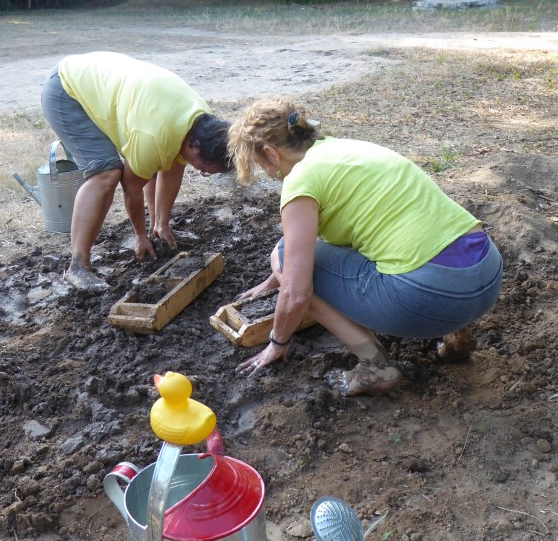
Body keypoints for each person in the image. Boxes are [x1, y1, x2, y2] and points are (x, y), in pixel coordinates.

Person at [228, 98, 503, 396]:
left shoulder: (300, 181)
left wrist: (277, 341)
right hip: (486, 276)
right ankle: (458, 336)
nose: (269, 175)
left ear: (270, 152)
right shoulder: (349, 149)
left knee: (282, 256)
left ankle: (375, 365)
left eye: (261, 165)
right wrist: (273, 279)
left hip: (431, 299)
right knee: (402, 243)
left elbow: (295, 294)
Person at [41, 51, 232, 291]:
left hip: (108, 85)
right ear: (195, 146)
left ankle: (159, 230)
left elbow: (171, 168)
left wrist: (161, 224)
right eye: (205, 169)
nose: (203, 172)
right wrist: (139, 236)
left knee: (163, 159)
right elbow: (131, 187)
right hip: (66, 91)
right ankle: (78, 266)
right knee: (106, 174)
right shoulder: (152, 137)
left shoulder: (198, 122)